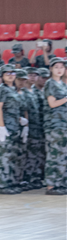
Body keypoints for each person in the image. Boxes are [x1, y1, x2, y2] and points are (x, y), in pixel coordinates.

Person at [0, 65, 26, 194]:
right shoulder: (2, 89)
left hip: (13, 127)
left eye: (12, 72)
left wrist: (20, 119)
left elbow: (12, 109)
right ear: (2, 75)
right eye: (7, 73)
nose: (10, 75)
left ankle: (10, 182)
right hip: (4, 127)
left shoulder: (13, 89)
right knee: (3, 156)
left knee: (11, 156)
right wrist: (1, 126)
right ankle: (3, 184)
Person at [43, 57, 67, 195]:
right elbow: (52, 103)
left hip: (63, 124)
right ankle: (51, 185)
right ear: (51, 69)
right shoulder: (50, 83)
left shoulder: (63, 85)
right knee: (54, 155)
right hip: (54, 124)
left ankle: (60, 182)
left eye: (62, 67)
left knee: (63, 156)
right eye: (56, 67)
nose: (59, 69)